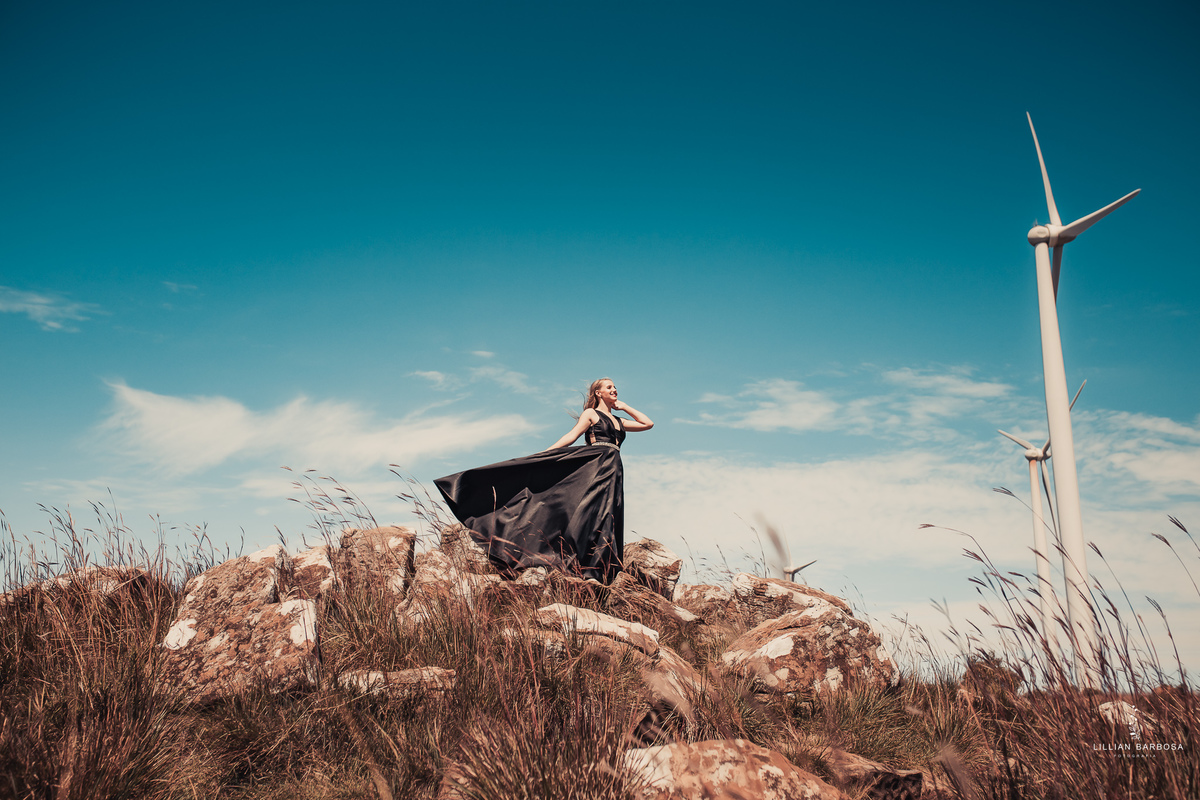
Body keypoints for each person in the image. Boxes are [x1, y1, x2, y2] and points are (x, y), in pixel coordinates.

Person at [434, 378, 653, 583]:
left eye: (615, 388)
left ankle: (601, 568)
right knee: (589, 512)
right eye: (609, 387)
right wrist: (545, 455)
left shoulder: (618, 420)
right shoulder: (591, 414)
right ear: (598, 392)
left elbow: (648, 424)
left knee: (609, 514)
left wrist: (623, 407)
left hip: (614, 470)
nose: (614, 390)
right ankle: (579, 563)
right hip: (594, 465)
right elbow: (572, 436)